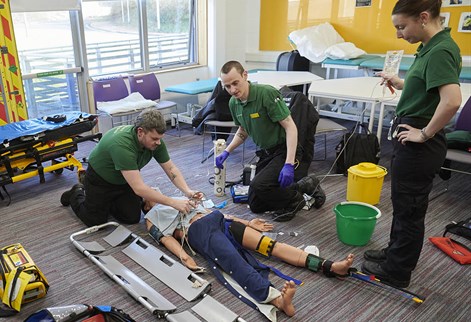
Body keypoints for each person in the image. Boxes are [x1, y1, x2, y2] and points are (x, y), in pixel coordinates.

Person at [362, 0, 462, 288]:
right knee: (403, 204)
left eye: (401, 26)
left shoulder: (441, 49)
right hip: (412, 139)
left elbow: (452, 101)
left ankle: (397, 271)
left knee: (409, 210)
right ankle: (395, 254)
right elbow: (428, 86)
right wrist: (401, 82)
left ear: (423, 17)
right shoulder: (431, 46)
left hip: (420, 145)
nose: (398, 34)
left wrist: (425, 133)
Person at [142, 199, 354, 318]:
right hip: (199, 230)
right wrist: (185, 258)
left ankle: (330, 266)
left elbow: (215, 212)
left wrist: (247, 222)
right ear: (144, 205)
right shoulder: (151, 218)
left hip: (219, 220)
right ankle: (279, 301)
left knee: (271, 246)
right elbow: (166, 240)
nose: (154, 193)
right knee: (236, 262)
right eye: (148, 195)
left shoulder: (176, 197)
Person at [216, 61, 325, 222]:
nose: (232, 90)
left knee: (259, 185)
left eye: (235, 83)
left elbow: (291, 127)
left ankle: (296, 201)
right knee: (255, 204)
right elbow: (243, 131)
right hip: (266, 153)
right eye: (227, 86)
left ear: (245, 75)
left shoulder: (266, 94)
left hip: (284, 149)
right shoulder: (234, 103)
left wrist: (289, 163)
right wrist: (227, 151)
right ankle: (305, 185)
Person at [60, 108, 202, 227]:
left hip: (124, 179)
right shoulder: (122, 145)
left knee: (131, 218)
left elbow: (171, 169)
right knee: (95, 221)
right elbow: (139, 188)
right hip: (100, 179)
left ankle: (106, 202)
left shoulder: (155, 142)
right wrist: (173, 202)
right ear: (140, 132)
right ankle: (77, 191)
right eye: (154, 139)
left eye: (160, 138)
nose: (158, 143)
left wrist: (188, 191)